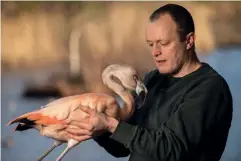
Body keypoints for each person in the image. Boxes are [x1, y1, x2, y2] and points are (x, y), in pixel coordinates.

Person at [64, 4, 233, 161]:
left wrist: (111, 125)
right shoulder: (152, 80)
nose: (155, 52)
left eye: (164, 43)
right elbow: (122, 147)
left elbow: (170, 149)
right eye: (150, 44)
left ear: (189, 41)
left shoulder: (209, 88)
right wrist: (99, 129)